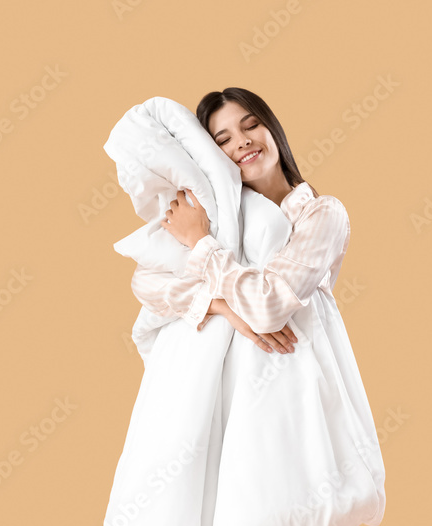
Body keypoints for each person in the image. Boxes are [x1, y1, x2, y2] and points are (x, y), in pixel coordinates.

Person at [130, 87, 352, 358]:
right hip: (225, 374)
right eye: (223, 141)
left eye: (251, 126)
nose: (243, 142)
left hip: (296, 362)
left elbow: (269, 306)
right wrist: (221, 306)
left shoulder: (322, 213)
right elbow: (146, 283)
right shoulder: (209, 216)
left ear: (273, 130)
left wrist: (200, 243)